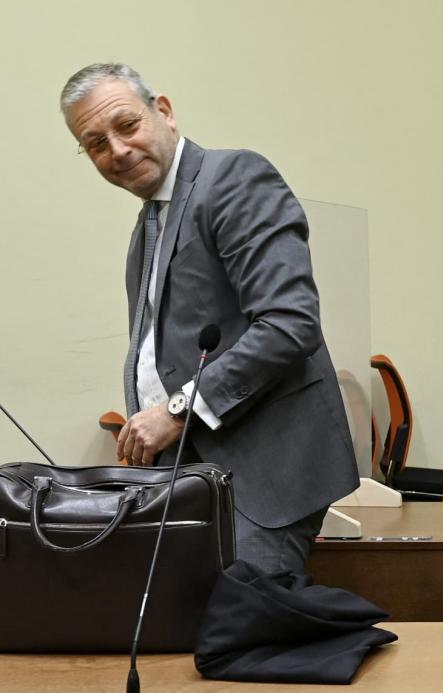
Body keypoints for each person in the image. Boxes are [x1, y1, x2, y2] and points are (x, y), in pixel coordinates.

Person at [61, 63, 359, 574]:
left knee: (246, 640)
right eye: (96, 143)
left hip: (264, 480)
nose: (118, 150)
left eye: (127, 125)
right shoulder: (148, 225)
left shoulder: (234, 178)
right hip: (193, 480)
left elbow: (289, 324)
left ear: (165, 112)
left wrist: (175, 412)